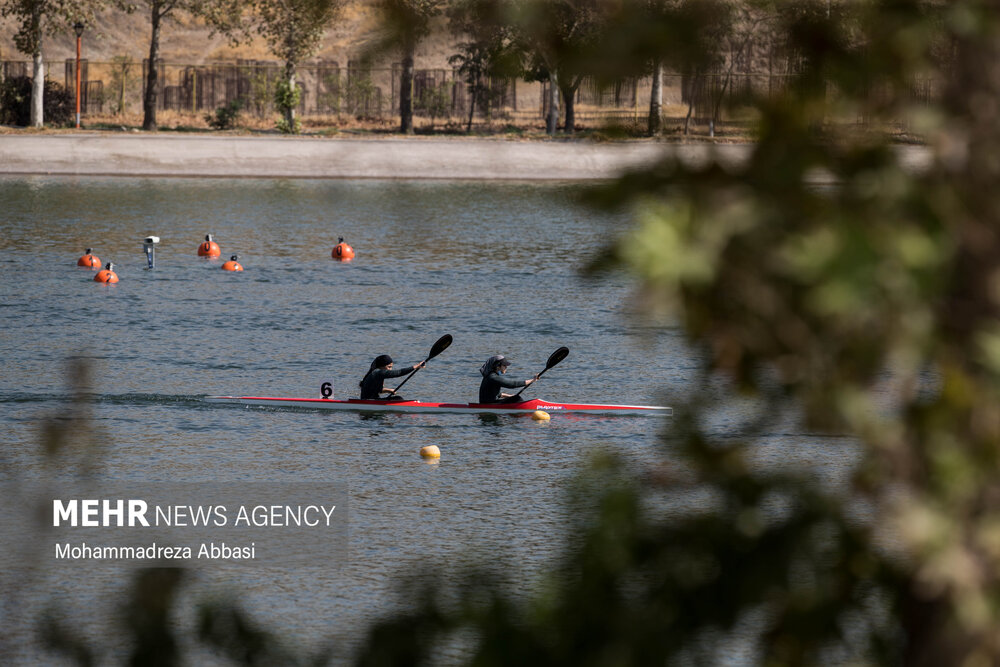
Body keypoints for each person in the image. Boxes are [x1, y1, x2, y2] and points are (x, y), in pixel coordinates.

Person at [359, 354, 425, 400]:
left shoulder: (376, 374)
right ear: (381, 366)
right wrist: (416, 366)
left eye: (391, 367)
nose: (390, 369)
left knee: (397, 398)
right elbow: (398, 373)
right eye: (389, 367)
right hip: (369, 401)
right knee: (398, 399)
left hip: (372, 400)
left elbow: (376, 390)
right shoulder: (378, 372)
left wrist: (389, 390)